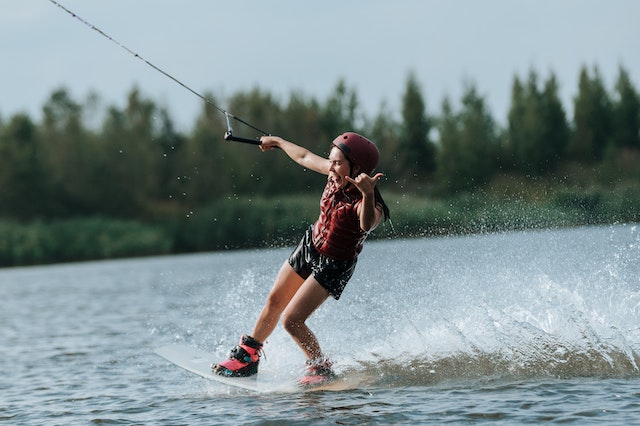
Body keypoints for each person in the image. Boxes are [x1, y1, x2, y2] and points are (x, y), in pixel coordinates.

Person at [211, 132, 390, 385]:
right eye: (331, 161)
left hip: (334, 264)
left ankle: (320, 367)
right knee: (275, 300)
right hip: (311, 244)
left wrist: (368, 194)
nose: (331, 168)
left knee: (292, 320)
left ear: (357, 168)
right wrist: (279, 142)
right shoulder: (333, 174)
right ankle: (248, 357)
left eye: (337, 163)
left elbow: (366, 224)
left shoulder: (368, 202)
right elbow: (305, 156)